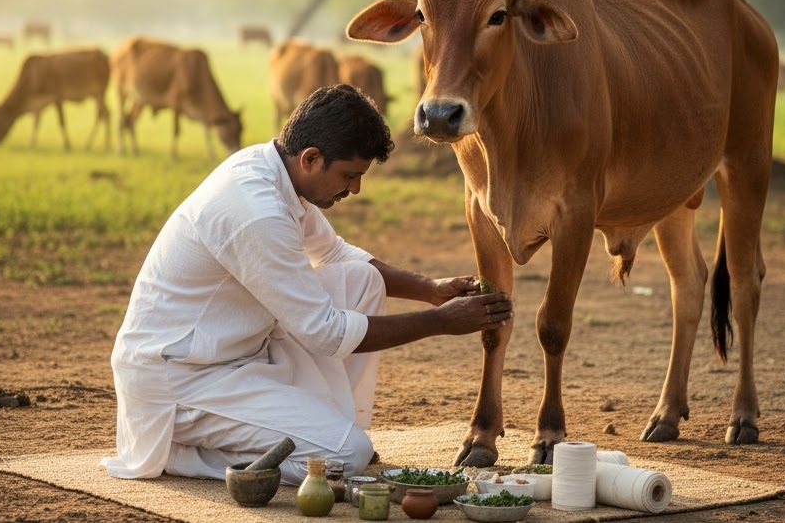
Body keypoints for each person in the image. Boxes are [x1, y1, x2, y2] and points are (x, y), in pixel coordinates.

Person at [101, 83, 513, 484]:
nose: (356, 188)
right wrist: (440, 321)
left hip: (239, 356)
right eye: (350, 175)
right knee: (344, 457)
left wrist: (430, 288)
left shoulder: (276, 168)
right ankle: (183, 456)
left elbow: (334, 254)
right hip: (184, 380)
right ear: (312, 159)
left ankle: (326, 428)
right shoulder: (257, 211)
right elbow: (326, 333)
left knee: (361, 279)